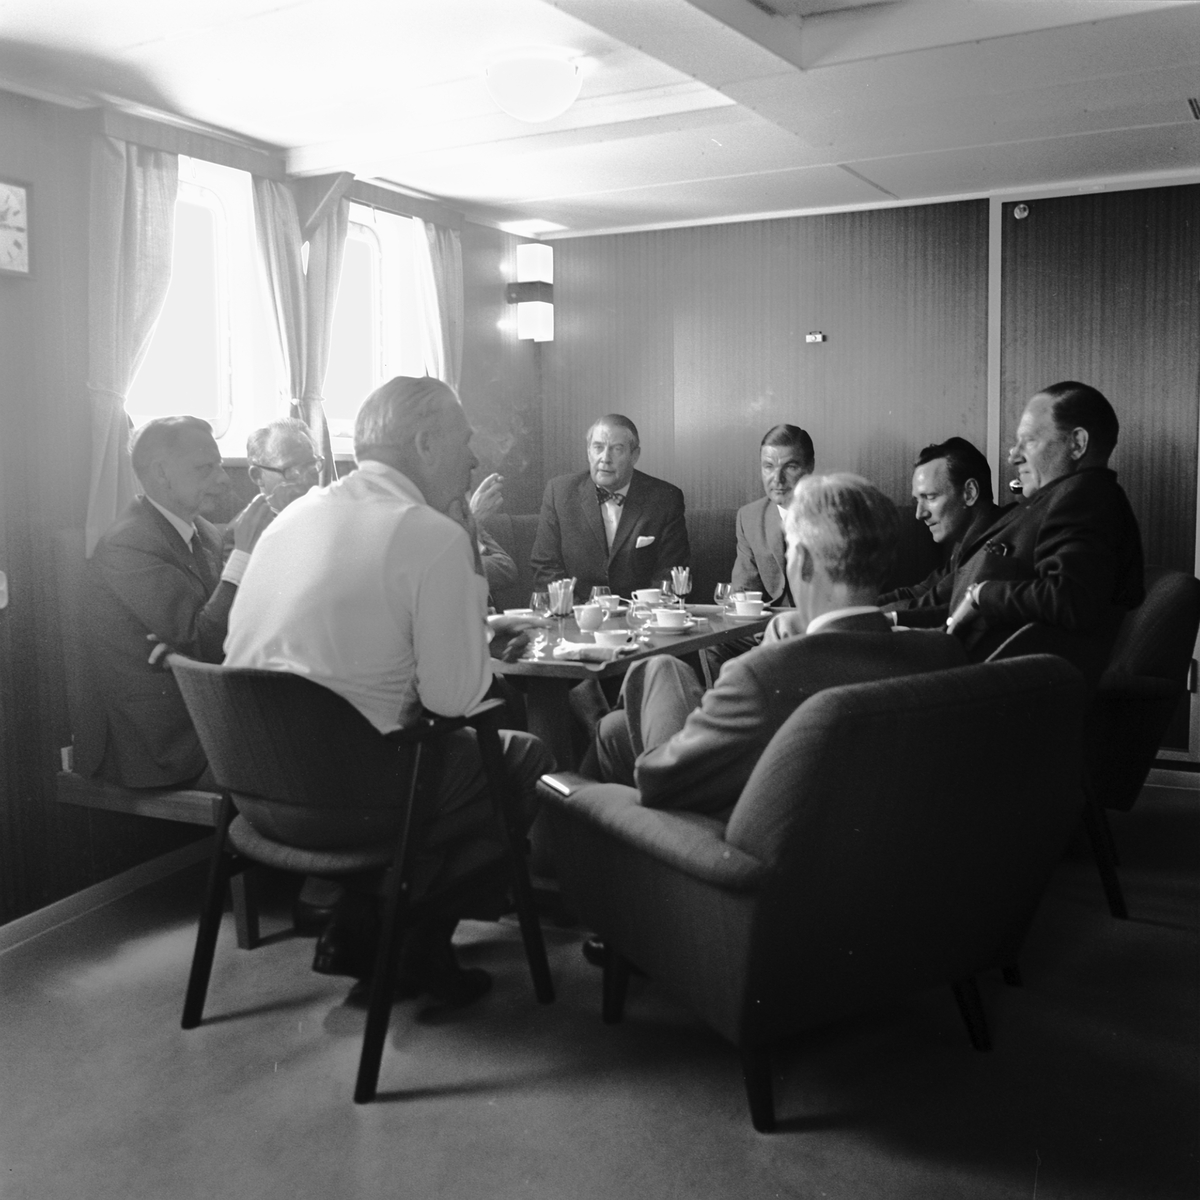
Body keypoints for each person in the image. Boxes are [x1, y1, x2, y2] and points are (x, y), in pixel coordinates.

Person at [224, 376, 553, 1009]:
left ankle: (364, 922)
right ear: (426, 444)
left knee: (426, 762)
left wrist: (476, 632)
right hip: (352, 805)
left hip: (254, 796)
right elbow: (457, 700)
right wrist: (470, 598)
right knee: (519, 757)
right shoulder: (431, 535)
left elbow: (354, 634)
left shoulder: (292, 519)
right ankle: (413, 940)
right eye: (465, 441)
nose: (475, 460)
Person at [591, 473, 967, 816]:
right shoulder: (942, 653)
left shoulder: (760, 675)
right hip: (872, 835)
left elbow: (659, 782)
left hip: (722, 845)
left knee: (655, 670)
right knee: (615, 727)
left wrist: (769, 657)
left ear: (802, 562)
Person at [80, 417, 272, 789]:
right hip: (165, 742)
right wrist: (244, 555)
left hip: (205, 708)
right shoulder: (128, 542)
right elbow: (203, 640)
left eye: (219, 466)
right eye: (205, 468)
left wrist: (184, 647)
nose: (223, 480)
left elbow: (213, 634)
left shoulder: (205, 533)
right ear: (161, 474)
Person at [933, 382, 1144, 680]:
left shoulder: (1084, 497)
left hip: (995, 681)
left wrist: (982, 593)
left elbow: (1070, 599)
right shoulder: (1059, 500)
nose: (1013, 456)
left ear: (1077, 444)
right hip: (969, 663)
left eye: (1029, 441)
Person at [530, 414, 690, 602]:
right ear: (588, 452)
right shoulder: (559, 492)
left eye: (617, 449)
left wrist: (641, 612)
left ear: (634, 456)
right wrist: (579, 612)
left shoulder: (665, 498)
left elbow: (670, 571)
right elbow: (545, 566)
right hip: (577, 612)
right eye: (598, 447)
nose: (605, 458)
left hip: (641, 613)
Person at [878, 436, 1009, 611]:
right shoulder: (967, 542)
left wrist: (862, 616)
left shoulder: (995, 548)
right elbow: (920, 592)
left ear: (970, 493)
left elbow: (930, 602)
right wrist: (858, 607)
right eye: (917, 500)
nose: (919, 514)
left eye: (930, 497)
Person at [731, 424, 815, 607]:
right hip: (770, 622)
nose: (777, 478)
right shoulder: (750, 517)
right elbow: (743, 592)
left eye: (790, 467)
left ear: (810, 467)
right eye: (769, 467)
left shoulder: (836, 515)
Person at [246, 417, 324, 513]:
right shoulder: (251, 522)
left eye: (311, 466)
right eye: (292, 470)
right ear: (257, 476)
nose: (307, 480)